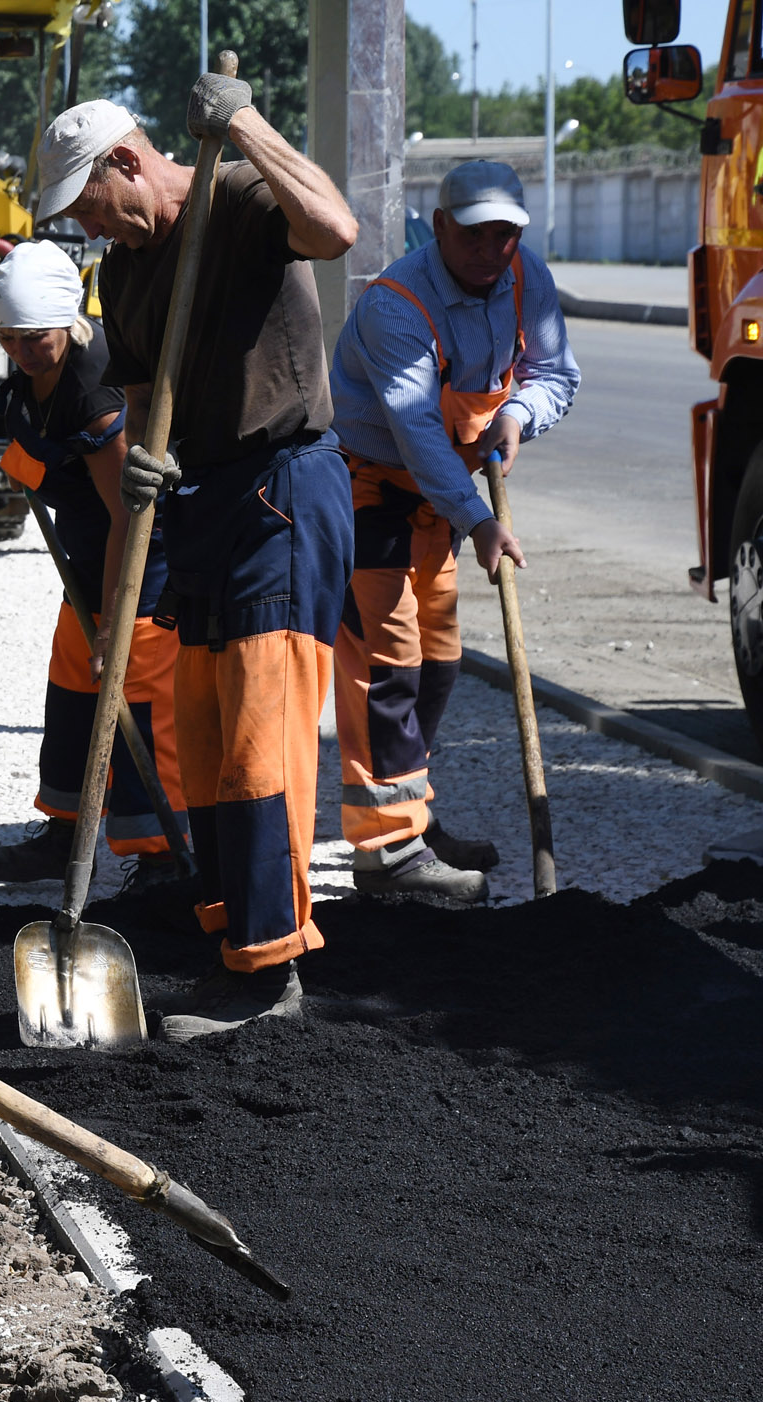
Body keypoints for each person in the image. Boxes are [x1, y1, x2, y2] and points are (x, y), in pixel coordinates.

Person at [32, 86, 357, 1038]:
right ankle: (234, 950)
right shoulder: (127, 277)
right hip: (204, 503)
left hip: (282, 491)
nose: (94, 229)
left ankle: (270, 968)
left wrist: (246, 123)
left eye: (91, 206)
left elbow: (336, 229)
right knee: (209, 742)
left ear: (129, 162)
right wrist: (139, 463)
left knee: (261, 732)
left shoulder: (242, 197)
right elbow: (140, 395)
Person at [329, 161, 579, 902]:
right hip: (368, 486)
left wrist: (518, 414)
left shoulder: (525, 279)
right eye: (476, 234)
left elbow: (556, 373)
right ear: (440, 228)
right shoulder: (396, 305)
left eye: (507, 234)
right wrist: (481, 521)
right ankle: (386, 851)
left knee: (438, 660)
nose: (493, 249)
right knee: (388, 662)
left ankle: (413, 815)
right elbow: (416, 435)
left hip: (435, 500)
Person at [0, 239, 188, 892]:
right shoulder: (33, 367)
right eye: (8, 338)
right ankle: (66, 835)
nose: (19, 350)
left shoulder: (95, 391)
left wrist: (116, 617)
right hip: (87, 560)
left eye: (32, 338)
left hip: (140, 569)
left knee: (138, 699)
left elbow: (130, 514)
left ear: (66, 322)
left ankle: (161, 856)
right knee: (73, 687)